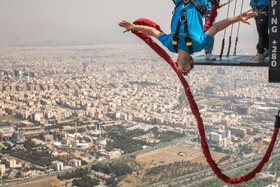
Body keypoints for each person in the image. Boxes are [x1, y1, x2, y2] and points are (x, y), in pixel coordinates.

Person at [119, 0, 258, 75]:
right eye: (187, 69)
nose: (183, 69)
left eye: (181, 69)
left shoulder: (171, 45)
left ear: (177, 63)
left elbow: (153, 32)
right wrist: (238, 18)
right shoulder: (199, 45)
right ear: (191, 62)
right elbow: (216, 28)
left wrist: (133, 27)